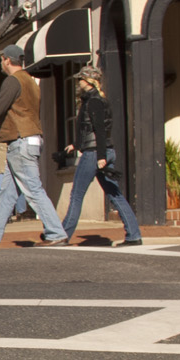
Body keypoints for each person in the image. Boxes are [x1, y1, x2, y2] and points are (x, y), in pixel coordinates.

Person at [0, 44, 68, 248]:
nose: (2, 64)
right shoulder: (30, 80)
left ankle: (56, 232)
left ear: (6, 60)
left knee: (33, 189)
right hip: (28, 139)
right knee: (8, 192)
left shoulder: (13, 81)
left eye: (2, 60)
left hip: (21, 140)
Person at [60, 65, 143, 247]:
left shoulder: (94, 101)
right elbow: (89, 129)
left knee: (76, 195)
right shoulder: (94, 100)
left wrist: (101, 156)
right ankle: (133, 235)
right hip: (99, 151)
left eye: (80, 79)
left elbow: (100, 130)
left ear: (89, 81)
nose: (78, 82)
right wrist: (76, 145)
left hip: (95, 154)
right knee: (115, 195)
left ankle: (62, 235)